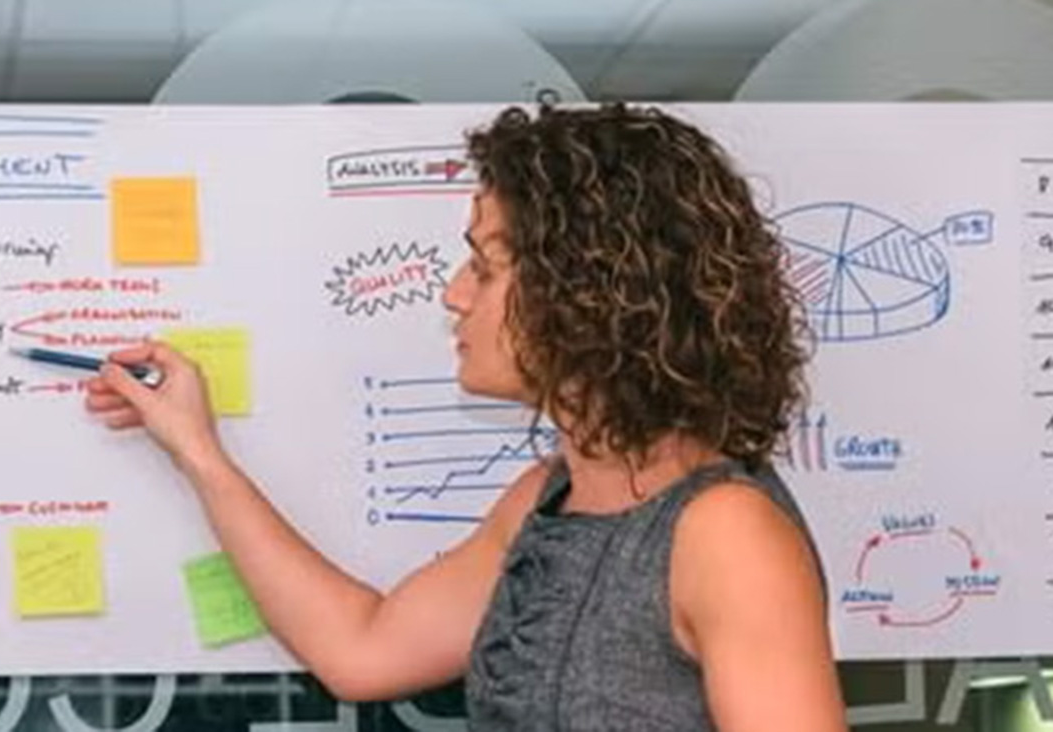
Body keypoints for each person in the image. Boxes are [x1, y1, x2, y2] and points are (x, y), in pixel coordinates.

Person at [84, 102, 847, 731]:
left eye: (484, 267)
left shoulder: (724, 533)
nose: (454, 294)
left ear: (588, 291)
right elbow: (362, 649)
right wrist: (200, 454)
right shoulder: (547, 500)